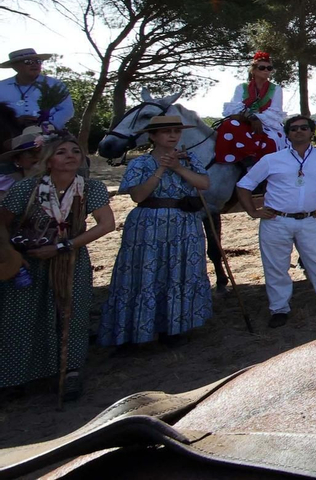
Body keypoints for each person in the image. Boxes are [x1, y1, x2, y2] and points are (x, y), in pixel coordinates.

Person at [0, 137, 115, 399]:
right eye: (61, 152)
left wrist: (64, 246)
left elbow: (106, 224)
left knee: (70, 315)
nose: (70, 156)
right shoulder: (26, 189)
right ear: (48, 160)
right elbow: (2, 223)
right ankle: (17, 376)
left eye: (75, 151)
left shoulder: (90, 189)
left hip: (70, 261)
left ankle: (70, 372)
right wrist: (11, 256)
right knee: (21, 318)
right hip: (28, 263)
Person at [98, 115, 212, 352]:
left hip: (184, 224)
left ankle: (174, 327)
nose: (172, 136)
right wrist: (161, 168)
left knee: (179, 273)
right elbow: (138, 196)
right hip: (148, 224)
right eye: (165, 131)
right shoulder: (139, 164)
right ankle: (138, 331)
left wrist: (178, 168)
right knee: (146, 275)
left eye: (176, 131)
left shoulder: (189, 159)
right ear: (152, 136)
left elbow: (204, 184)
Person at [235, 115, 316, 328]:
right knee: (276, 266)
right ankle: (279, 308)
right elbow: (244, 185)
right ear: (287, 134)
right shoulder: (272, 159)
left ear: (312, 132)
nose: (299, 131)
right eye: (294, 128)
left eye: (304, 127)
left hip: (310, 219)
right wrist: (252, 211)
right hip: (276, 220)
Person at [216, 50, 287, 166]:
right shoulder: (241, 87)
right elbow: (235, 107)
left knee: (271, 140)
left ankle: (263, 166)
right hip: (244, 120)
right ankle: (233, 158)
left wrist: (257, 118)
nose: (266, 71)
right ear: (253, 70)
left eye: (269, 68)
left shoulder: (276, 89)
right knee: (227, 126)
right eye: (262, 67)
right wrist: (250, 118)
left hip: (266, 123)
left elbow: (274, 111)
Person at [0, 47, 75, 132]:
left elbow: (67, 109)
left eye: (38, 61)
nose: (34, 65)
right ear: (15, 66)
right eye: (28, 62)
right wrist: (14, 121)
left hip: (49, 133)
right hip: (10, 134)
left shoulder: (55, 85)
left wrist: (49, 124)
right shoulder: (1, 87)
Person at [0, 127, 44, 196]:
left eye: (41, 151)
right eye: (30, 153)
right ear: (17, 160)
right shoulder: (9, 182)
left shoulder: (56, 177)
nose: (37, 156)